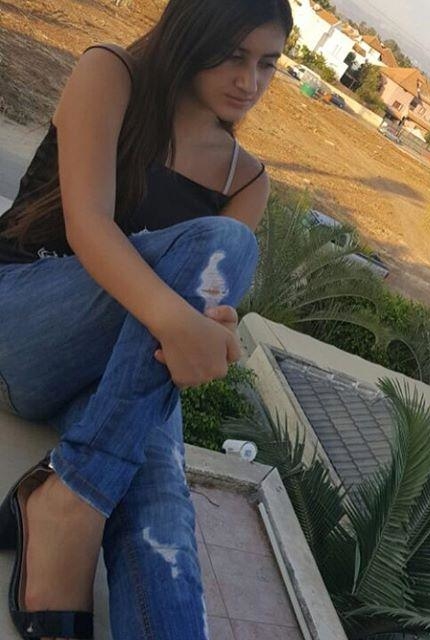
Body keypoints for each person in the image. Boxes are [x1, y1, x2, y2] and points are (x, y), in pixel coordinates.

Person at [0, 0, 293, 638]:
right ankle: (73, 502)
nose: (250, 81)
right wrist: (182, 323)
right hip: (22, 320)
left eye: (267, 63)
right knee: (227, 243)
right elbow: (88, 225)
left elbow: (205, 310)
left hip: (116, 375)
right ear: (192, 33)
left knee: (163, 511)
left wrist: (212, 330)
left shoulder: (247, 181)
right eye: (234, 55)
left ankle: (74, 493)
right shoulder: (111, 74)